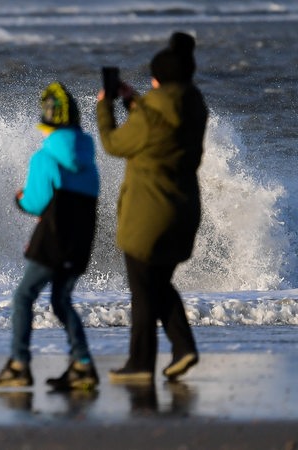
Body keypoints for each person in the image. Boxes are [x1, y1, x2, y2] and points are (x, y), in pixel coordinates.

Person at [96, 32, 208, 383]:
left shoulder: (151, 114)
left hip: (148, 216)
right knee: (158, 283)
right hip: (183, 212)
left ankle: (140, 364)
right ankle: (183, 347)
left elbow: (114, 144)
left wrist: (105, 106)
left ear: (158, 79)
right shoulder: (194, 104)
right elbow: (159, 124)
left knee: (143, 290)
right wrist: (135, 102)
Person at [0, 81, 101, 391]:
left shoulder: (44, 158)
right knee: (62, 301)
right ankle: (83, 365)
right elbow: (78, 203)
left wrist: (20, 198)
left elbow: (35, 202)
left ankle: (19, 364)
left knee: (23, 297)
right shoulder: (89, 160)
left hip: (53, 238)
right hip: (81, 240)